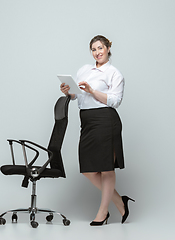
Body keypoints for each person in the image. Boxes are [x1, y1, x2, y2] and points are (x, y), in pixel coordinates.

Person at [60, 35, 134, 226]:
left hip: (106, 121)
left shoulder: (114, 73)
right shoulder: (84, 69)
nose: (97, 52)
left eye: (100, 48)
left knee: (107, 168)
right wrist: (69, 91)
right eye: (93, 49)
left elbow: (115, 101)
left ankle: (103, 212)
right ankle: (119, 200)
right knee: (87, 168)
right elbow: (77, 95)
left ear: (108, 48)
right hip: (87, 121)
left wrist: (93, 91)